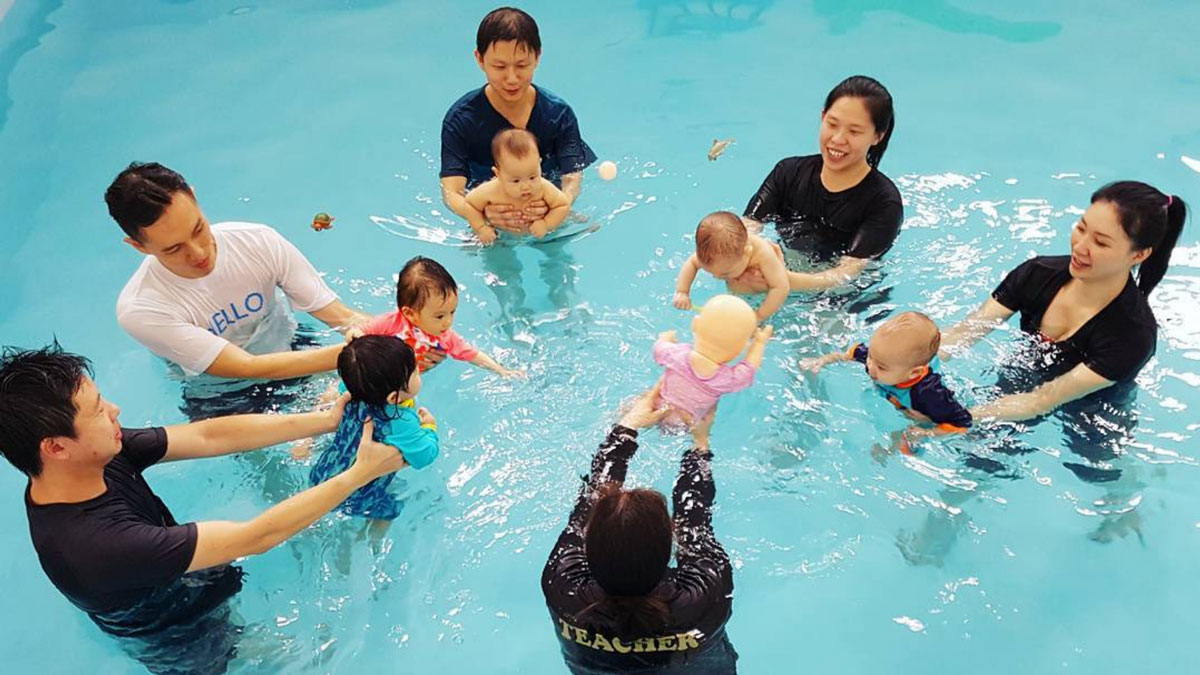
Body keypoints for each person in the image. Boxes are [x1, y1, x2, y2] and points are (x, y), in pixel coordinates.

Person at [0, 343, 407, 674]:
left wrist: (325, 421)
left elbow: (209, 435)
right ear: (55, 447)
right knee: (296, 660)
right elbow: (257, 537)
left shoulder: (95, 456)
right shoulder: (95, 546)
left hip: (170, 576)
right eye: (97, 410)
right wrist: (358, 474)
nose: (115, 411)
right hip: (173, 631)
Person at [938, 181, 1188, 425]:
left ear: (1139, 254)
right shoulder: (1037, 274)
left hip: (1096, 409)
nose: (1080, 247)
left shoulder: (1133, 335)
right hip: (1030, 370)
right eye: (1081, 228)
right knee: (979, 453)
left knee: (1092, 465)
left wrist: (953, 420)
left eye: (1100, 242)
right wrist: (907, 369)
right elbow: (962, 334)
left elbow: (1041, 401)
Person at [107, 162, 375, 382]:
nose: (199, 253)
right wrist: (359, 355)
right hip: (219, 389)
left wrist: (395, 338)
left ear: (194, 196)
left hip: (291, 342)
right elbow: (246, 367)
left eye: (198, 229)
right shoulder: (141, 309)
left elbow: (341, 316)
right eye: (174, 249)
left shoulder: (258, 241)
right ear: (138, 246)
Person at [542, 384, 738, 674]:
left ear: (588, 549)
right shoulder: (704, 595)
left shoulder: (564, 588)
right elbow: (694, 521)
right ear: (670, 545)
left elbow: (587, 504)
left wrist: (627, 426)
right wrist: (700, 442)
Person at [440, 7, 596, 235]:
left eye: (522, 65)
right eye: (499, 67)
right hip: (491, 215)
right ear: (480, 60)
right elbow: (451, 192)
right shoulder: (461, 120)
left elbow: (572, 176)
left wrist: (557, 205)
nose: (512, 79)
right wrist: (481, 214)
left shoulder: (558, 114)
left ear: (537, 57)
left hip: (545, 210)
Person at [743, 75, 902, 291]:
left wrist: (783, 280)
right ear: (822, 116)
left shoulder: (884, 203)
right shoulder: (788, 173)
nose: (837, 139)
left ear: (877, 137)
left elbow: (847, 275)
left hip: (845, 299)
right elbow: (748, 227)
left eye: (854, 131)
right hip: (786, 273)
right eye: (832, 124)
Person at [308, 335, 438, 524]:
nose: (419, 371)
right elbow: (424, 456)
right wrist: (429, 427)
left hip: (321, 476)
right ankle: (374, 536)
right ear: (393, 398)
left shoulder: (354, 390)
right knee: (391, 511)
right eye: (416, 372)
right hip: (359, 497)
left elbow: (340, 386)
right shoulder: (400, 420)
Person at [801, 311, 972, 443]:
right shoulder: (879, 357)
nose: (870, 367)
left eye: (881, 366)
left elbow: (962, 424)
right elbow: (851, 354)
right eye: (870, 358)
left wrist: (926, 432)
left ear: (913, 373)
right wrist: (822, 360)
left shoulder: (929, 394)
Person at [359, 256, 524, 377]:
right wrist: (358, 340)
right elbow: (359, 332)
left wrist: (501, 371)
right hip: (373, 373)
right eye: (439, 316)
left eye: (452, 312)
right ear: (410, 313)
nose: (448, 322)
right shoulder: (392, 322)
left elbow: (472, 355)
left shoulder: (444, 337)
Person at [673, 211, 792, 322]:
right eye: (711, 272)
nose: (716, 277)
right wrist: (682, 292)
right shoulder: (714, 255)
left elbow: (781, 287)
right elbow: (692, 263)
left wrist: (758, 316)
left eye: (725, 274)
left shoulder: (763, 253)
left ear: (747, 252)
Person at [464, 129, 573, 244]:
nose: (526, 186)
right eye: (516, 181)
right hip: (501, 236)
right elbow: (470, 204)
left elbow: (562, 205)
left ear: (539, 165)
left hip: (539, 236)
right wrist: (481, 228)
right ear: (498, 174)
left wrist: (546, 224)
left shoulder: (543, 187)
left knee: (555, 253)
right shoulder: (490, 190)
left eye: (532, 177)